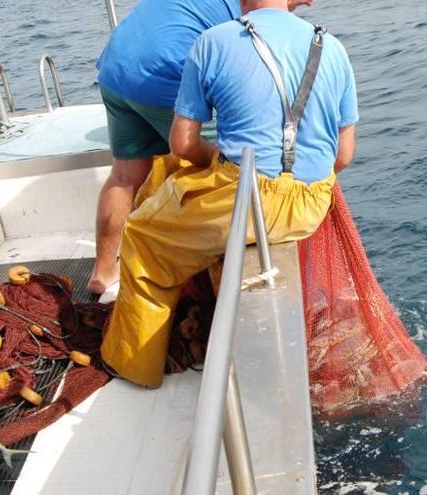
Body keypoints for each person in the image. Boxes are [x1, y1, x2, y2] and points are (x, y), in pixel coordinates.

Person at [100, 0, 358, 388]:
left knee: (143, 239)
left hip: (246, 198)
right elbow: (344, 156)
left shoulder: (213, 42)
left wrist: (220, 157)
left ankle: (133, 367)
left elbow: (183, 145)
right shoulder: (333, 48)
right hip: (310, 204)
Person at [89, 0, 312, 295]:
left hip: (115, 70)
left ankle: (103, 271)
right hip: (164, 73)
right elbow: (246, 73)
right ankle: (202, 286)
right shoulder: (250, 13)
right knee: (212, 171)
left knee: (125, 176)